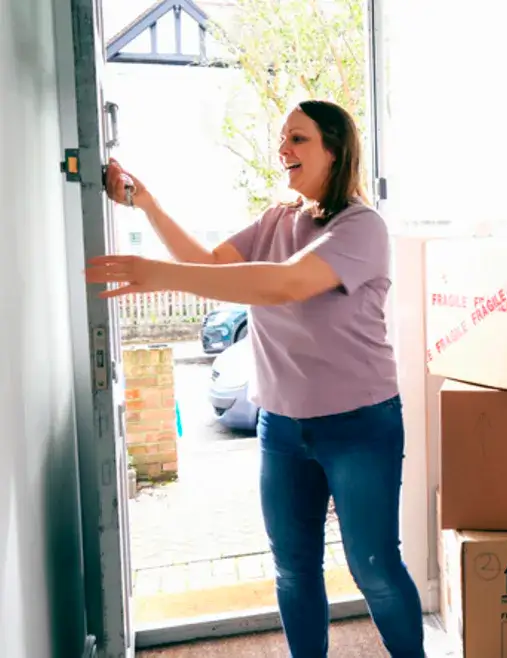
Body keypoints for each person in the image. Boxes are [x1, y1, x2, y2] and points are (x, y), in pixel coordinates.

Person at [88, 100, 425, 657]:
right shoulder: (275, 219)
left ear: (334, 149)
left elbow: (283, 284)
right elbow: (209, 261)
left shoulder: (363, 227)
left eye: (298, 138)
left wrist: (160, 275)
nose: (283, 149)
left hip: (360, 425)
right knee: (293, 570)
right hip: (283, 428)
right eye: (281, 139)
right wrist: (145, 204)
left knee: (375, 569)